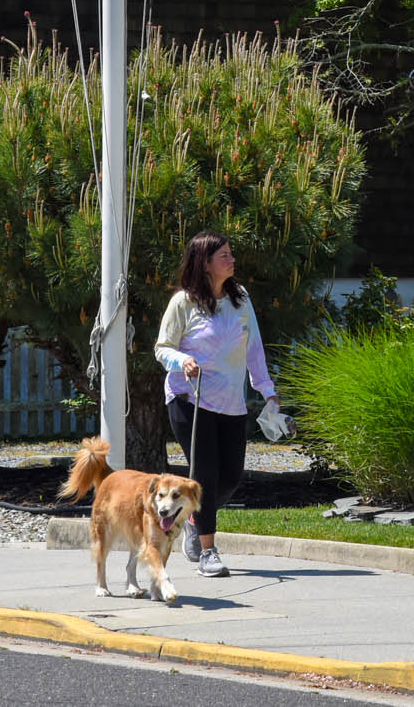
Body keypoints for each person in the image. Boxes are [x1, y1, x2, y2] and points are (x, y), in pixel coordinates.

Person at [154, 231, 276, 578]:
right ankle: (209, 553)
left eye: (230, 253)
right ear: (204, 263)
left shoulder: (241, 299)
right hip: (189, 399)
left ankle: (192, 517)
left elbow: (254, 348)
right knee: (204, 473)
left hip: (231, 401)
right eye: (223, 255)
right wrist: (182, 361)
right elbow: (162, 348)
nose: (231, 259)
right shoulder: (183, 302)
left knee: (232, 475)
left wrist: (267, 389)